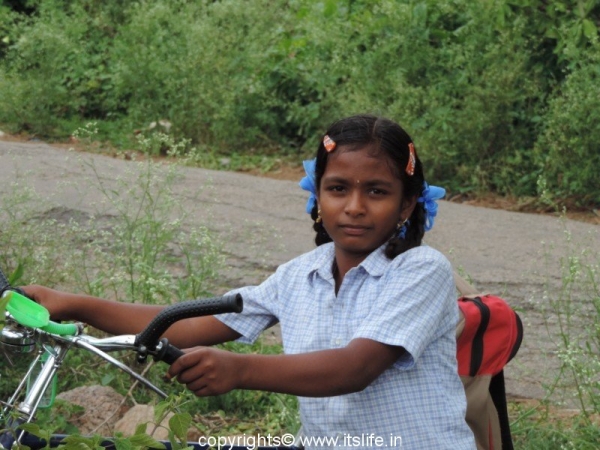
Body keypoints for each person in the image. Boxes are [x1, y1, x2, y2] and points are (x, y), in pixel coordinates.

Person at [24, 114, 476, 449]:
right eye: (338, 188)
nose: (354, 206)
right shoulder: (299, 275)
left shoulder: (422, 269)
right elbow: (186, 324)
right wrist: (69, 303)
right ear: (318, 195)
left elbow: (354, 368)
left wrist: (239, 370)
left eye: (376, 191)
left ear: (406, 205)